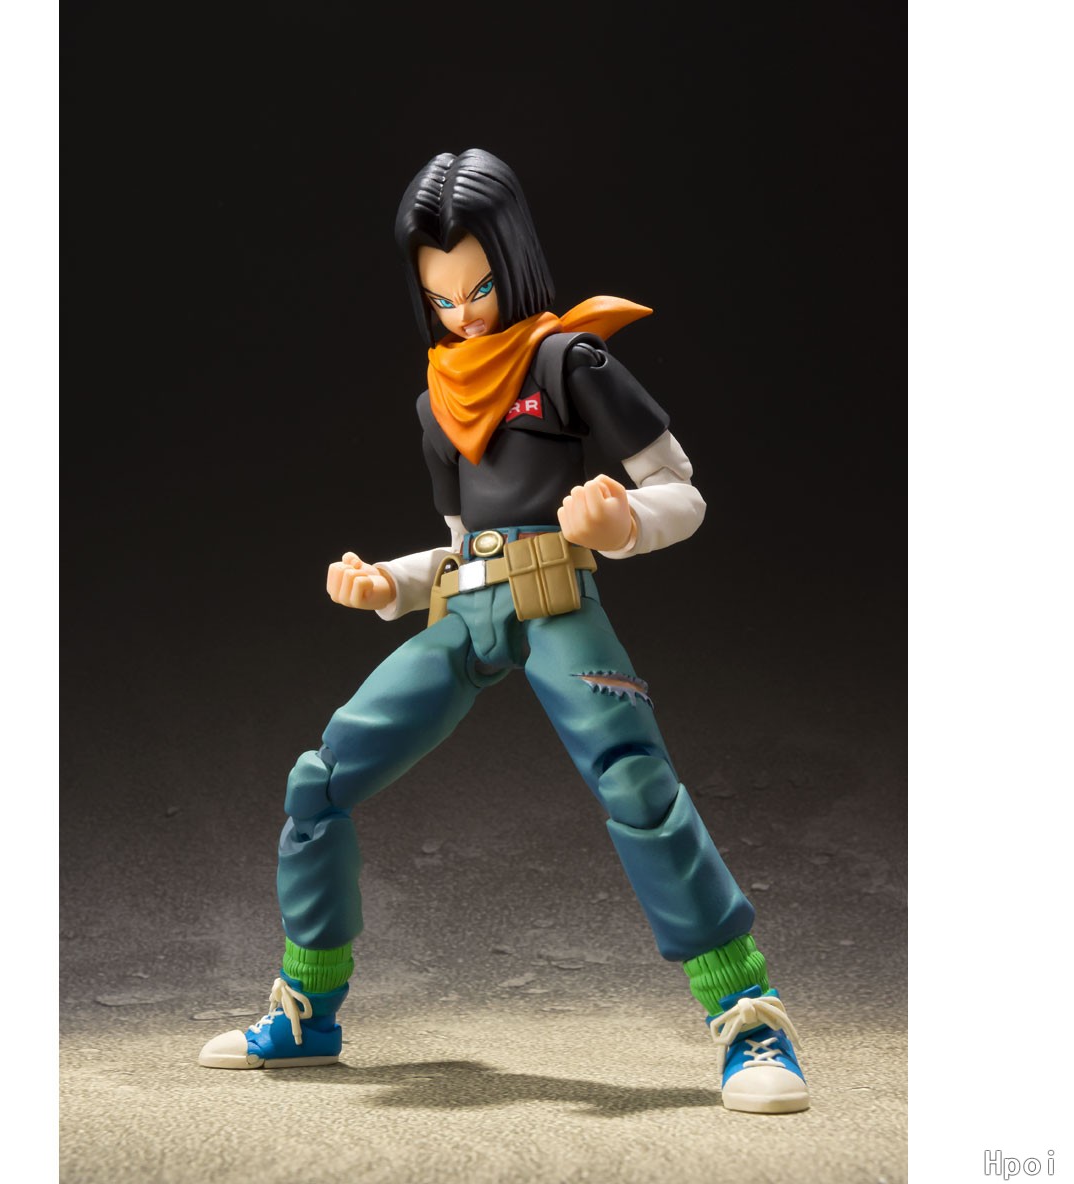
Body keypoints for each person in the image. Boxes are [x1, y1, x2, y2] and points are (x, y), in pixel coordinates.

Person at [198, 149, 809, 1114]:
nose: (465, 314)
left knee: (637, 783)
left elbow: (681, 492)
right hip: (468, 610)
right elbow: (461, 548)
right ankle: (310, 1012)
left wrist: (622, 523)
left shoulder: (568, 360)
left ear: (514, 264)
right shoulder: (438, 398)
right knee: (320, 780)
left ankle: (749, 1018)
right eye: (442, 298)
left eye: (479, 289)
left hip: (558, 601)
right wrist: (387, 585)